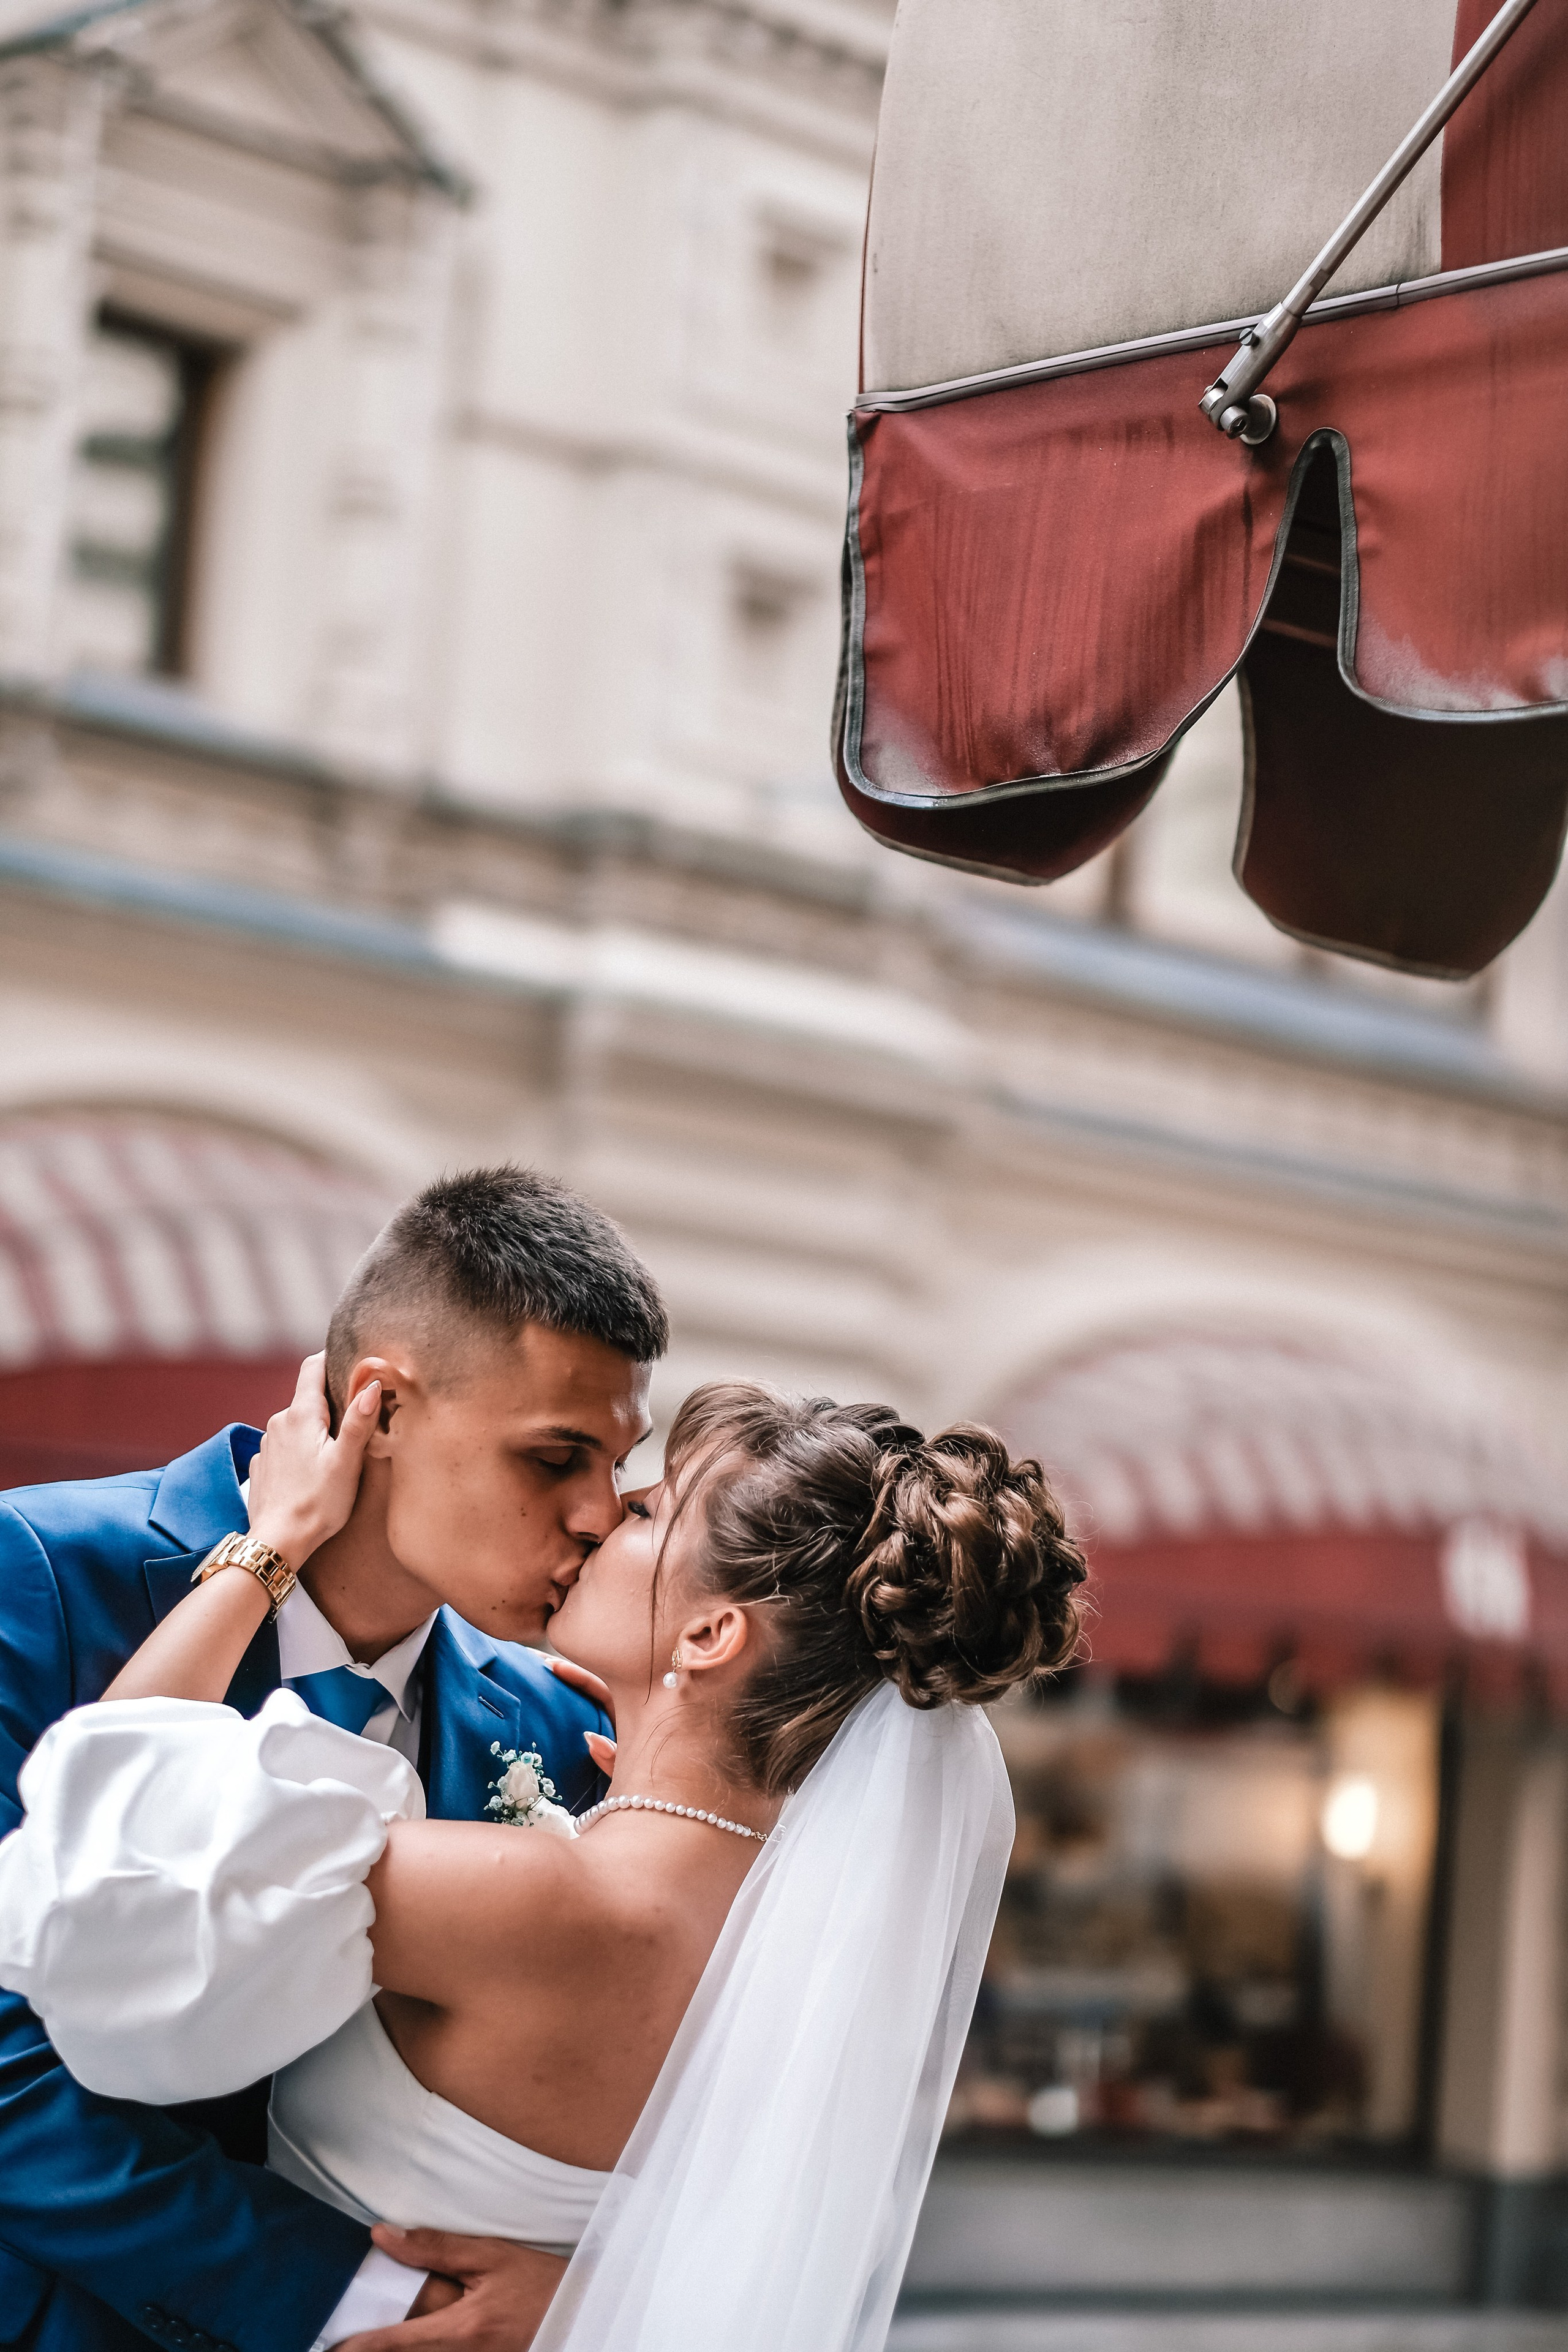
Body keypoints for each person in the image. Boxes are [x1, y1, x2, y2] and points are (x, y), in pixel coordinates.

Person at [0, 1377, 1087, 2352]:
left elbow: (102, 1849)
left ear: (709, 1638)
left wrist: (268, 1548)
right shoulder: (789, 1934)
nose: (606, 1513)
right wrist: (590, 2301)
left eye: (651, 1510)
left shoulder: (534, 1897)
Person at [0, 1167, 667, 2352]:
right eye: (555, 1457)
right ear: (384, 1408)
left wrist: (575, 2292)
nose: (600, 1514)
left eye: (618, 1466)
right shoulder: (40, 1576)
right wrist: (361, 2302)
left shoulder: (564, 1725)